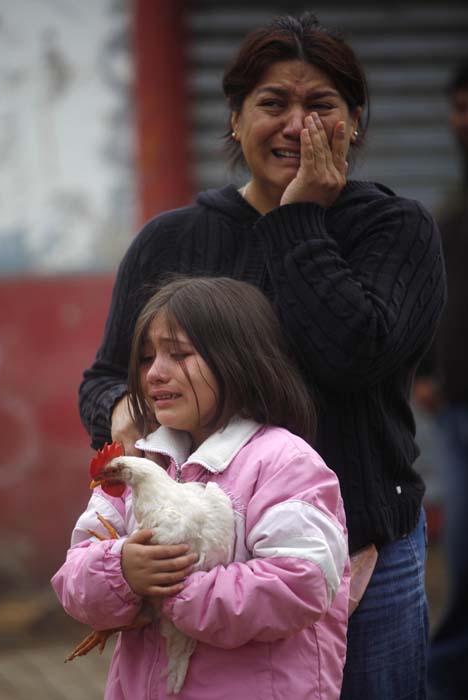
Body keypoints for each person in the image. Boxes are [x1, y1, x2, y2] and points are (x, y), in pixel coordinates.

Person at [79, 13, 446, 699]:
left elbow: (353, 357)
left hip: (369, 551)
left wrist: (299, 220)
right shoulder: (171, 240)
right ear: (235, 118)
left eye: (321, 106)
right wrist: (122, 410)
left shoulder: (395, 231)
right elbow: (104, 378)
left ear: (355, 122)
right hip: (212, 570)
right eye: (273, 104)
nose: (295, 126)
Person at [53, 276, 350, 700]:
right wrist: (122, 571)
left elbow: (302, 582)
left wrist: (176, 592)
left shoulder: (284, 463)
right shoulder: (140, 465)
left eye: (179, 354)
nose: (155, 372)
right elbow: (73, 579)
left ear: (237, 360)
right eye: (145, 358)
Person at [414, 59, 468, 700]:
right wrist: (425, 372)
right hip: (458, 413)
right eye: (458, 106)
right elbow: (435, 302)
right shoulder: (452, 212)